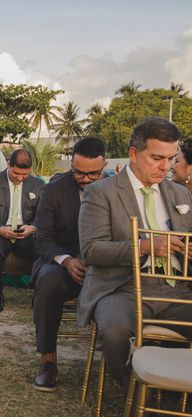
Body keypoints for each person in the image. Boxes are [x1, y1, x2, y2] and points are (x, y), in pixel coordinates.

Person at [78, 117, 192, 391]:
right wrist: (146, 246)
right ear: (133, 153)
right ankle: (141, 405)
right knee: (115, 331)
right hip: (122, 287)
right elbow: (91, 250)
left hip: (178, 289)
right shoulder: (100, 192)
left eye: (171, 158)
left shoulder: (180, 194)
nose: (165, 167)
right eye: (156, 158)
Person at [30, 137, 107, 392]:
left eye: (92, 174)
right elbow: (43, 240)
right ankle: (48, 361)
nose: (84, 179)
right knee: (49, 281)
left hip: (107, 265)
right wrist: (67, 261)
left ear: (104, 164)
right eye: (78, 172)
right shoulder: (53, 190)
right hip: (62, 262)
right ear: (72, 164)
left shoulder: (116, 188)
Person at [0, 149, 44, 313]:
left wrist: (32, 227)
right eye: (16, 173)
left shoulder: (38, 184)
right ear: (9, 165)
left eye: (25, 175)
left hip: (26, 232)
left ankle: (39, 295)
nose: (20, 178)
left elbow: (44, 213)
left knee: (43, 250)